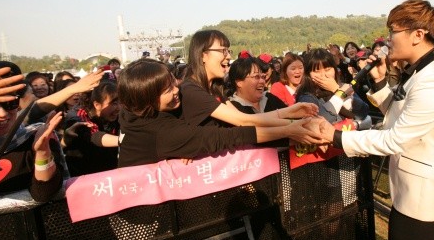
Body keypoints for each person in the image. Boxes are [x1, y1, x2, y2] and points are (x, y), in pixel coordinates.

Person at [316, 0, 434, 240]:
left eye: (393, 32)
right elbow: (399, 116)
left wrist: (335, 137)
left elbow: (395, 138)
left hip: (424, 193)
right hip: (412, 188)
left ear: (418, 34)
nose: (388, 40)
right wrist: (379, 82)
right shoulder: (424, 69)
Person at [117, 59, 322, 166]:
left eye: (173, 83)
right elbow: (234, 133)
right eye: (167, 90)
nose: (177, 91)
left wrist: (288, 114)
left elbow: (245, 121)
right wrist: (289, 130)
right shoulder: (166, 133)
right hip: (145, 220)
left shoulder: (132, 113)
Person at [179, 30, 320, 140]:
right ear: (203, 55)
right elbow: (243, 121)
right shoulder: (191, 91)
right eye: (223, 51)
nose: (228, 56)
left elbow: (247, 119)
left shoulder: (214, 90)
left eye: (228, 51)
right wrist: (292, 125)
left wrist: (292, 114)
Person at [0, 73, 64, 202]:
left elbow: (44, 194)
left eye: (10, 103)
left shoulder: (36, 137)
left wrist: (42, 153)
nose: (3, 114)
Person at [296, 48, 370, 128]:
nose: (324, 75)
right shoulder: (306, 96)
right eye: (317, 71)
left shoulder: (341, 86)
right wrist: (340, 95)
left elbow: (363, 112)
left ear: (335, 69)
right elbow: (315, 124)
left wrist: (337, 90)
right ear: (308, 74)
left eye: (327, 69)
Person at [63, 80, 120, 176]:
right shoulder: (78, 117)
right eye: (114, 103)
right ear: (97, 105)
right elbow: (94, 136)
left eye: (120, 103)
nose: (118, 108)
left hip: (109, 174)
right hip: (82, 176)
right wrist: (123, 140)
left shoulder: (115, 117)